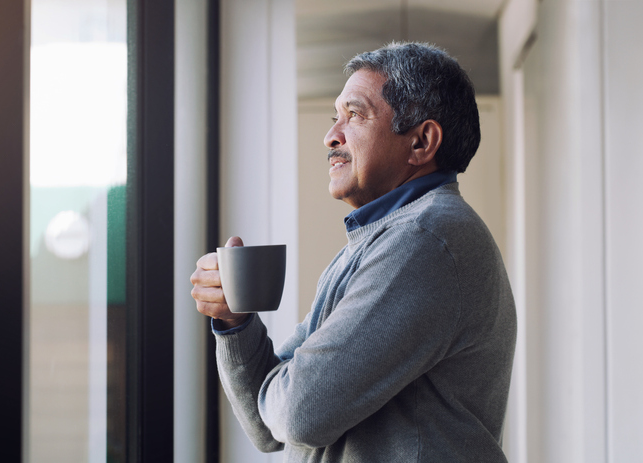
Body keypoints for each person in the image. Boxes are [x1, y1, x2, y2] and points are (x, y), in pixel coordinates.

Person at [190, 42, 516, 462]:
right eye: (335, 117)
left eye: (356, 114)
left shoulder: (426, 239)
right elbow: (267, 427)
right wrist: (234, 323)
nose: (331, 136)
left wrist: (286, 390)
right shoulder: (375, 241)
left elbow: (298, 416)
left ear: (422, 141)